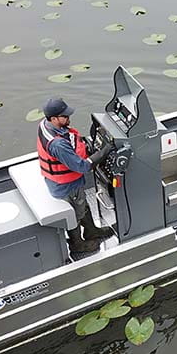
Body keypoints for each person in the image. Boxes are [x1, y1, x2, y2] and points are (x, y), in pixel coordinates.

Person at [37, 97, 114, 256]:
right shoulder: (58, 144)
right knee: (74, 214)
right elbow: (82, 166)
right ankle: (77, 245)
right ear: (53, 119)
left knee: (82, 205)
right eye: (64, 116)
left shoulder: (45, 125)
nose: (68, 118)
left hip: (65, 182)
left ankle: (92, 231)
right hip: (66, 186)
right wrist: (104, 151)